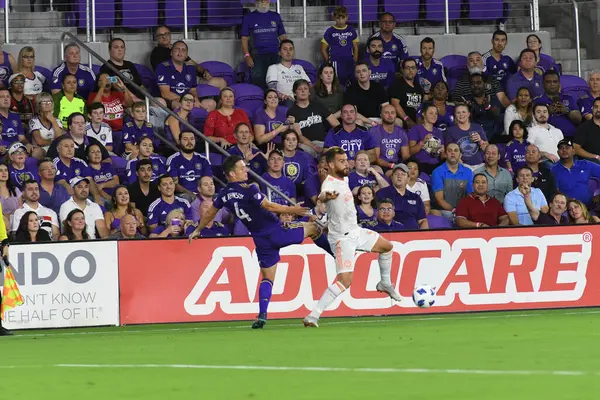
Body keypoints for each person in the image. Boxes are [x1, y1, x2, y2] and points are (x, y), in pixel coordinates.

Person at [189, 155, 320, 329]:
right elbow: (269, 206)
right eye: (242, 168)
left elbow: (210, 213)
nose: (246, 170)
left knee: (267, 278)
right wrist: (293, 209)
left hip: (260, 239)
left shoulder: (224, 195)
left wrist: (198, 230)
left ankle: (263, 315)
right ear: (232, 174)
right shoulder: (249, 188)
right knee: (315, 228)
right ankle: (334, 253)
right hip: (276, 231)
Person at [302, 147, 400, 328]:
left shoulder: (344, 179)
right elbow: (324, 195)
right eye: (341, 161)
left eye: (346, 160)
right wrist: (325, 197)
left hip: (356, 231)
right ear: (331, 165)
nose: (346, 164)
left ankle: (384, 283)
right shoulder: (329, 184)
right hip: (342, 239)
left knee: (387, 247)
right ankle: (313, 315)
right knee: (345, 281)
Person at [150, 25, 220, 89]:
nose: (164, 37)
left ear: (170, 35)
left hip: (192, 78)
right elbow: (162, 74)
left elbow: (192, 63)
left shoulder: (177, 48)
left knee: (220, 82)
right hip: (177, 83)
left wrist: (204, 71)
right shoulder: (156, 54)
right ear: (156, 38)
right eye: (160, 35)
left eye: (166, 34)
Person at [241, 0, 287, 89]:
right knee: (259, 82)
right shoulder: (248, 17)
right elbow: (244, 39)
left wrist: (286, 52)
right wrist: (247, 55)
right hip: (257, 55)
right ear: (255, 2)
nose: (263, 1)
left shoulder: (276, 16)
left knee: (279, 82)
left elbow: (283, 36)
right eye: (260, 0)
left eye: (266, 0)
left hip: (276, 54)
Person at [287, 79, 338, 154]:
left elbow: (336, 124)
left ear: (309, 92)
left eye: (305, 88)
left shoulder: (318, 105)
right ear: (295, 93)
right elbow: (299, 136)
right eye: (300, 89)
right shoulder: (292, 112)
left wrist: (333, 140)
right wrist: (314, 146)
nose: (303, 91)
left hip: (323, 142)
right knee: (308, 152)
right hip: (305, 145)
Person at [376, 163, 429, 229]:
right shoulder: (382, 193)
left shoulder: (415, 197)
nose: (399, 176)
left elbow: (422, 220)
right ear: (392, 178)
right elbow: (377, 217)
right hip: (391, 233)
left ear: (408, 179)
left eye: (403, 174)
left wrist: (423, 236)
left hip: (413, 235)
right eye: (396, 174)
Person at [155, 41, 202, 110]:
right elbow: (165, 93)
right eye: (177, 49)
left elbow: (193, 90)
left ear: (186, 55)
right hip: (171, 100)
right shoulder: (163, 67)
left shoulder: (190, 68)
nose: (180, 52)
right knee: (179, 107)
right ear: (171, 53)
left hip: (188, 100)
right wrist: (186, 101)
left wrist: (196, 99)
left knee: (210, 103)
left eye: (183, 50)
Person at [552, 139, 600, 206]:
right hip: (568, 207)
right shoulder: (553, 170)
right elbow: (555, 191)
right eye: (561, 148)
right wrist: (568, 200)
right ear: (557, 152)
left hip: (590, 206)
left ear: (573, 151)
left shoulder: (585, 164)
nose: (564, 150)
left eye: (567, 148)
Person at [431, 143, 473, 219]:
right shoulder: (437, 172)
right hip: (445, 212)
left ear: (460, 155)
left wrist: (463, 212)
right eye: (450, 151)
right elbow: (439, 200)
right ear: (445, 154)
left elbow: (471, 196)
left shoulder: (468, 172)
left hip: (463, 212)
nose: (453, 153)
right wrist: (454, 211)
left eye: (456, 150)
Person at [534, 70, 581, 138]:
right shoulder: (538, 101)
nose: (552, 84)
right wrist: (547, 112)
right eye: (548, 82)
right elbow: (533, 121)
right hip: (548, 138)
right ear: (543, 83)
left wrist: (567, 111)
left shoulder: (568, 98)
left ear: (559, 83)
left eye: (555, 82)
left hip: (570, 137)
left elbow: (579, 119)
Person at [166, 131, 212, 199]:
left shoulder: (203, 160)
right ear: (179, 141)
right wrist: (191, 195)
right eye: (185, 139)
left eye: (192, 139)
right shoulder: (173, 160)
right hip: (182, 195)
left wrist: (201, 195)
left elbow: (209, 180)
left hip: (201, 194)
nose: (189, 142)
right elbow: (174, 184)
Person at [320, 6, 358, 86]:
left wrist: (355, 60)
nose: (340, 21)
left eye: (343, 18)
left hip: (349, 61)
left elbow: (356, 47)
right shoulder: (330, 31)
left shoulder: (351, 30)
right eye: (338, 18)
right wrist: (329, 61)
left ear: (347, 17)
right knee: (337, 82)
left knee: (353, 82)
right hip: (336, 61)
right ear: (334, 17)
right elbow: (323, 49)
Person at [266, 39, 311, 104]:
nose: (288, 52)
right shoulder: (273, 68)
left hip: (301, 99)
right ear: (279, 52)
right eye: (285, 49)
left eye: (291, 49)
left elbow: (309, 86)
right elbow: (272, 90)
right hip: (285, 100)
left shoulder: (299, 67)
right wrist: (283, 96)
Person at [445, 104, 488, 170]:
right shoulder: (450, 131)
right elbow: (448, 152)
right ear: (455, 115)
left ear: (468, 114)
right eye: (458, 112)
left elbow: (487, 149)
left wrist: (480, 141)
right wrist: (459, 162)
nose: (461, 114)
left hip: (480, 165)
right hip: (462, 165)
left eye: (463, 112)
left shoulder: (477, 127)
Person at [371, 104, 410, 173]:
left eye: (392, 113)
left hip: (397, 165)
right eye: (386, 113)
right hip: (380, 166)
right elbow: (376, 158)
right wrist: (391, 166)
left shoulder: (402, 132)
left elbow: (406, 156)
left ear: (396, 115)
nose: (390, 115)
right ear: (381, 115)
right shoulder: (375, 132)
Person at [408, 103, 445, 175]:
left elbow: (441, 155)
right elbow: (410, 152)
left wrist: (442, 152)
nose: (434, 116)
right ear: (424, 114)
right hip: (420, 165)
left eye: (436, 114)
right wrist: (422, 142)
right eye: (431, 113)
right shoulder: (416, 129)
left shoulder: (439, 132)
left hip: (435, 166)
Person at [465, 73, 503, 139]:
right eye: (472, 83)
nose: (475, 85)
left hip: (492, 137)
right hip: (472, 138)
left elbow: (496, 114)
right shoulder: (466, 101)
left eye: (478, 82)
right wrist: (467, 109)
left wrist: (488, 107)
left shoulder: (492, 99)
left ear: (485, 84)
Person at [389, 58, 424, 129]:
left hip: (416, 121)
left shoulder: (418, 87)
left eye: (413, 68)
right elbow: (395, 104)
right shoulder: (396, 84)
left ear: (416, 70)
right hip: (402, 121)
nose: (410, 70)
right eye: (407, 68)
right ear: (402, 70)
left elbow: (421, 107)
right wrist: (407, 119)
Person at [29, 92, 64, 159]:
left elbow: (60, 138)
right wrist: (53, 141)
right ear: (38, 105)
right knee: (37, 152)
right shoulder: (34, 121)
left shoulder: (57, 120)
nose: (47, 104)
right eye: (44, 102)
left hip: (56, 148)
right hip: (42, 149)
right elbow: (40, 142)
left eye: (49, 102)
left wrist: (53, 121)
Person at [0, 88, 26, 154]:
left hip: (18, 150)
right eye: (2, 97)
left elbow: (22, 138)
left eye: (8, 96)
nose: (6, 99)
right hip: (4, 151)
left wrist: (27, 144)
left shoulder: (15, 116)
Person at [574, 96, 600, 162]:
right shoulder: (584, 127)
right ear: (592, 108)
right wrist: (595, 157)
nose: (598, 110)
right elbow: (576, 148)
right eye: (596, 107)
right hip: (591, 162)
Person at [0, 163, 20, 228]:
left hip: (16, 222)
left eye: (6, 170)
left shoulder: (15, 189)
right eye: (0, 171)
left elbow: (21, 208)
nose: (4, 173)